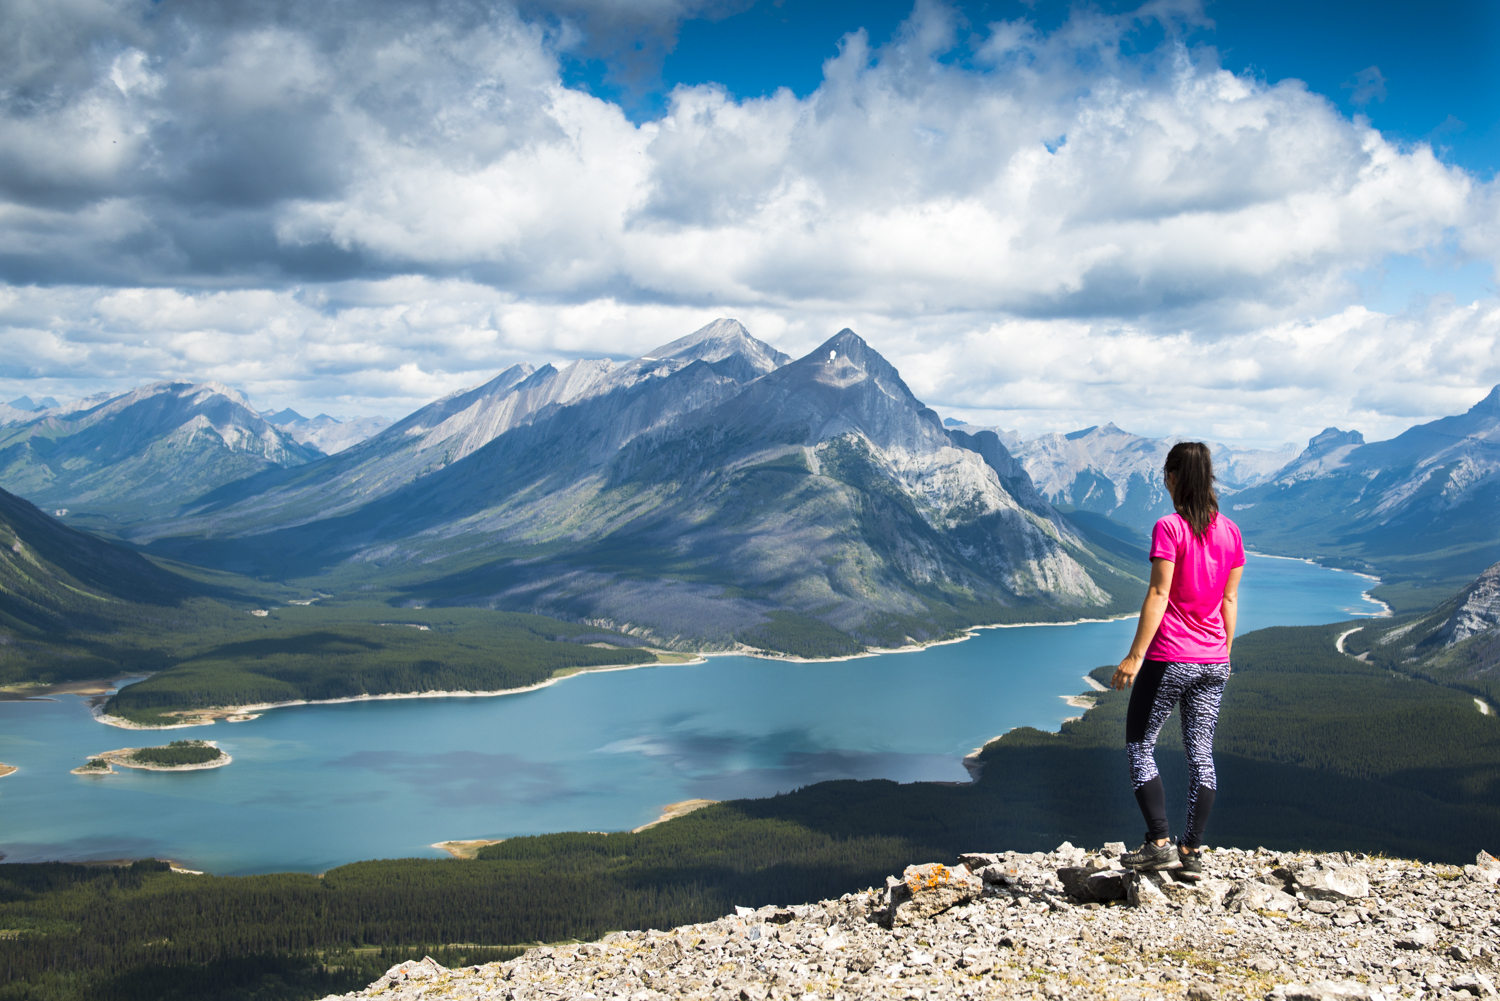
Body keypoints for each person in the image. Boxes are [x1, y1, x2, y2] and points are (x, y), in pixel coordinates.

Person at [1111, 441, 1243, 880]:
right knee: (1201, 755)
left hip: (1171, 657)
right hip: (1213, 660)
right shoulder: (1232, 532)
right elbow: (1228, 599)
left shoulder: (1169, 527)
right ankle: (1191, 852)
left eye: (1164, 475)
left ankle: (1159, 843)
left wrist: (1135, 655)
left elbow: (1159, 593)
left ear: (1172, 478)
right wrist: (1223, 654)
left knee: (1139, 744)